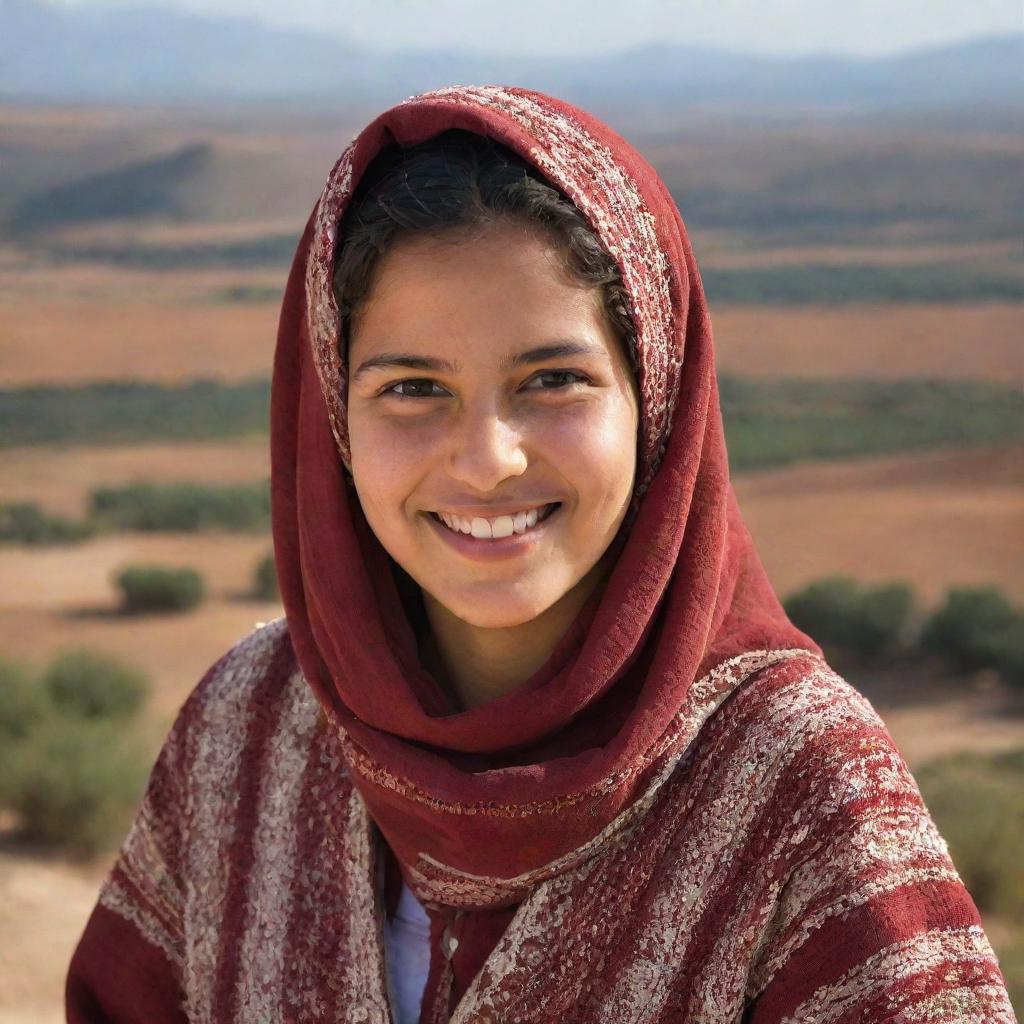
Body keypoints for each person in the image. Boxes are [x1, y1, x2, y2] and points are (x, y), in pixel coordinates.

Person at [65, 85, 1014, 1023]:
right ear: (333, 414)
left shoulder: (799, 786)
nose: (487, 461)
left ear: (656, 398)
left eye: (554, 379)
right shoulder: (251, 728)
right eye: (411, 387)